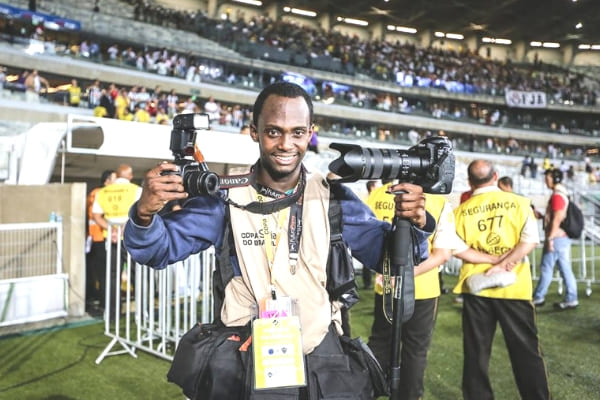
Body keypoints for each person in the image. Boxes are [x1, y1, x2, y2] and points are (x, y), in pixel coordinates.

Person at [123, 82, 434, 399]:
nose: (287, 144)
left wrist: (414, 225)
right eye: (274, 132)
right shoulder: (224, 197)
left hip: (320, 356)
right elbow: (157, 250)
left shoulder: (333, 198)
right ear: (254, 131)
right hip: (245, 355)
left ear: (310, 132)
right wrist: (145, 214)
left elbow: (393, 257)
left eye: (298, 132)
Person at [366, 184, 500, 400]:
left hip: (386, 287)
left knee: (380, 344)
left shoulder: (378, 195)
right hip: (422, 290)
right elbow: (442, 255)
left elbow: (365, 240)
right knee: (414, 351)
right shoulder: (436, 202)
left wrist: (387, 271)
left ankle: (366, 393)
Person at [453, 160, 550, 400]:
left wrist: (489, 260)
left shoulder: (460, 211)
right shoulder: (519, 202)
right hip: (514, 287)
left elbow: (457, 249)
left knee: (476, 353)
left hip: (475, 286)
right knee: (526, 351)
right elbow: (529, 241)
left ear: (469, 182)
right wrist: (504, 263)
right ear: (496, 176)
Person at [93, 164, 142, 314]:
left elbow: (96, 216)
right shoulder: (136, 190)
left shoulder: (103, 192)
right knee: (136, 274)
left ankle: (113, 312)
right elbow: (140, 213)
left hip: (111, 239)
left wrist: (112, 229)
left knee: (113, 276)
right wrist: (124, 227)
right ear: (130, 176)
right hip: (132, 239)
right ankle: (142, 311)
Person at [533, 168, 579, 310]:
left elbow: (557, 218)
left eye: (547, 178)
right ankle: (571, 298)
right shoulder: (561, 194)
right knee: (565, 269)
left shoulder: (557, 196)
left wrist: (550, 239)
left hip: (556, 238)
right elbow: (555, 217)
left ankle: (538, 297)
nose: (545, 181)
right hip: (561, 238)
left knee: (547, 268)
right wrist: (541, 216)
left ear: (555, 179)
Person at [85, 169, 116, 313]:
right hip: (100, 237)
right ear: (107, 181)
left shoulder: (95, 192)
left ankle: (101, 301)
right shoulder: (101, 193)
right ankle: (106, 304)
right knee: (105, 273)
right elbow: (97, 216)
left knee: (100, 273)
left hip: (95, 237)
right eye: (114, 179)